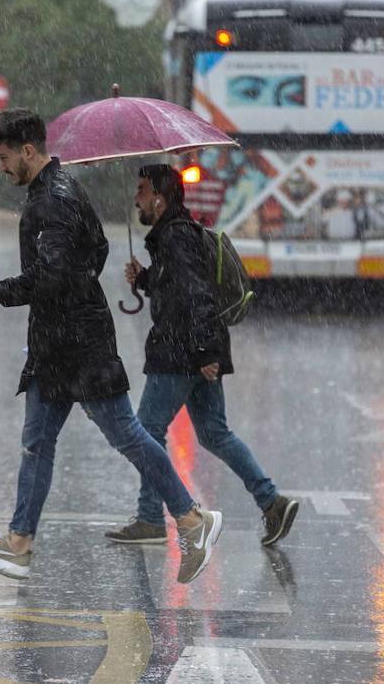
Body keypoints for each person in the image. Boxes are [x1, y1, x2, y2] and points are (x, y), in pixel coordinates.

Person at [0, 109, 222, 584]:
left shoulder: (52, 201)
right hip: (59, 343)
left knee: (127, 436)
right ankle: (18, 542)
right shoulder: (61, 190)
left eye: (3, 157)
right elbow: (95, 250)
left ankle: (191, 519)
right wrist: (76, 286)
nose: (0, 166)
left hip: (79, 347)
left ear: (28, 152)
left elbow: (52, 274)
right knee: (37, 442)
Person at [107, 164, 299, 547]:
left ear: (160, 199)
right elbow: (179, 289)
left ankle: (150, 518)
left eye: (142, 190)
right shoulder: (174, 236)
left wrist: (205, 352)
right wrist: (145, 279)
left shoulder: (175, 238)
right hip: (196, 350)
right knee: (214, 434)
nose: (136, 198)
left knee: (144, 432)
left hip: (182, 352)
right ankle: (272, 502)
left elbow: (197, 297)